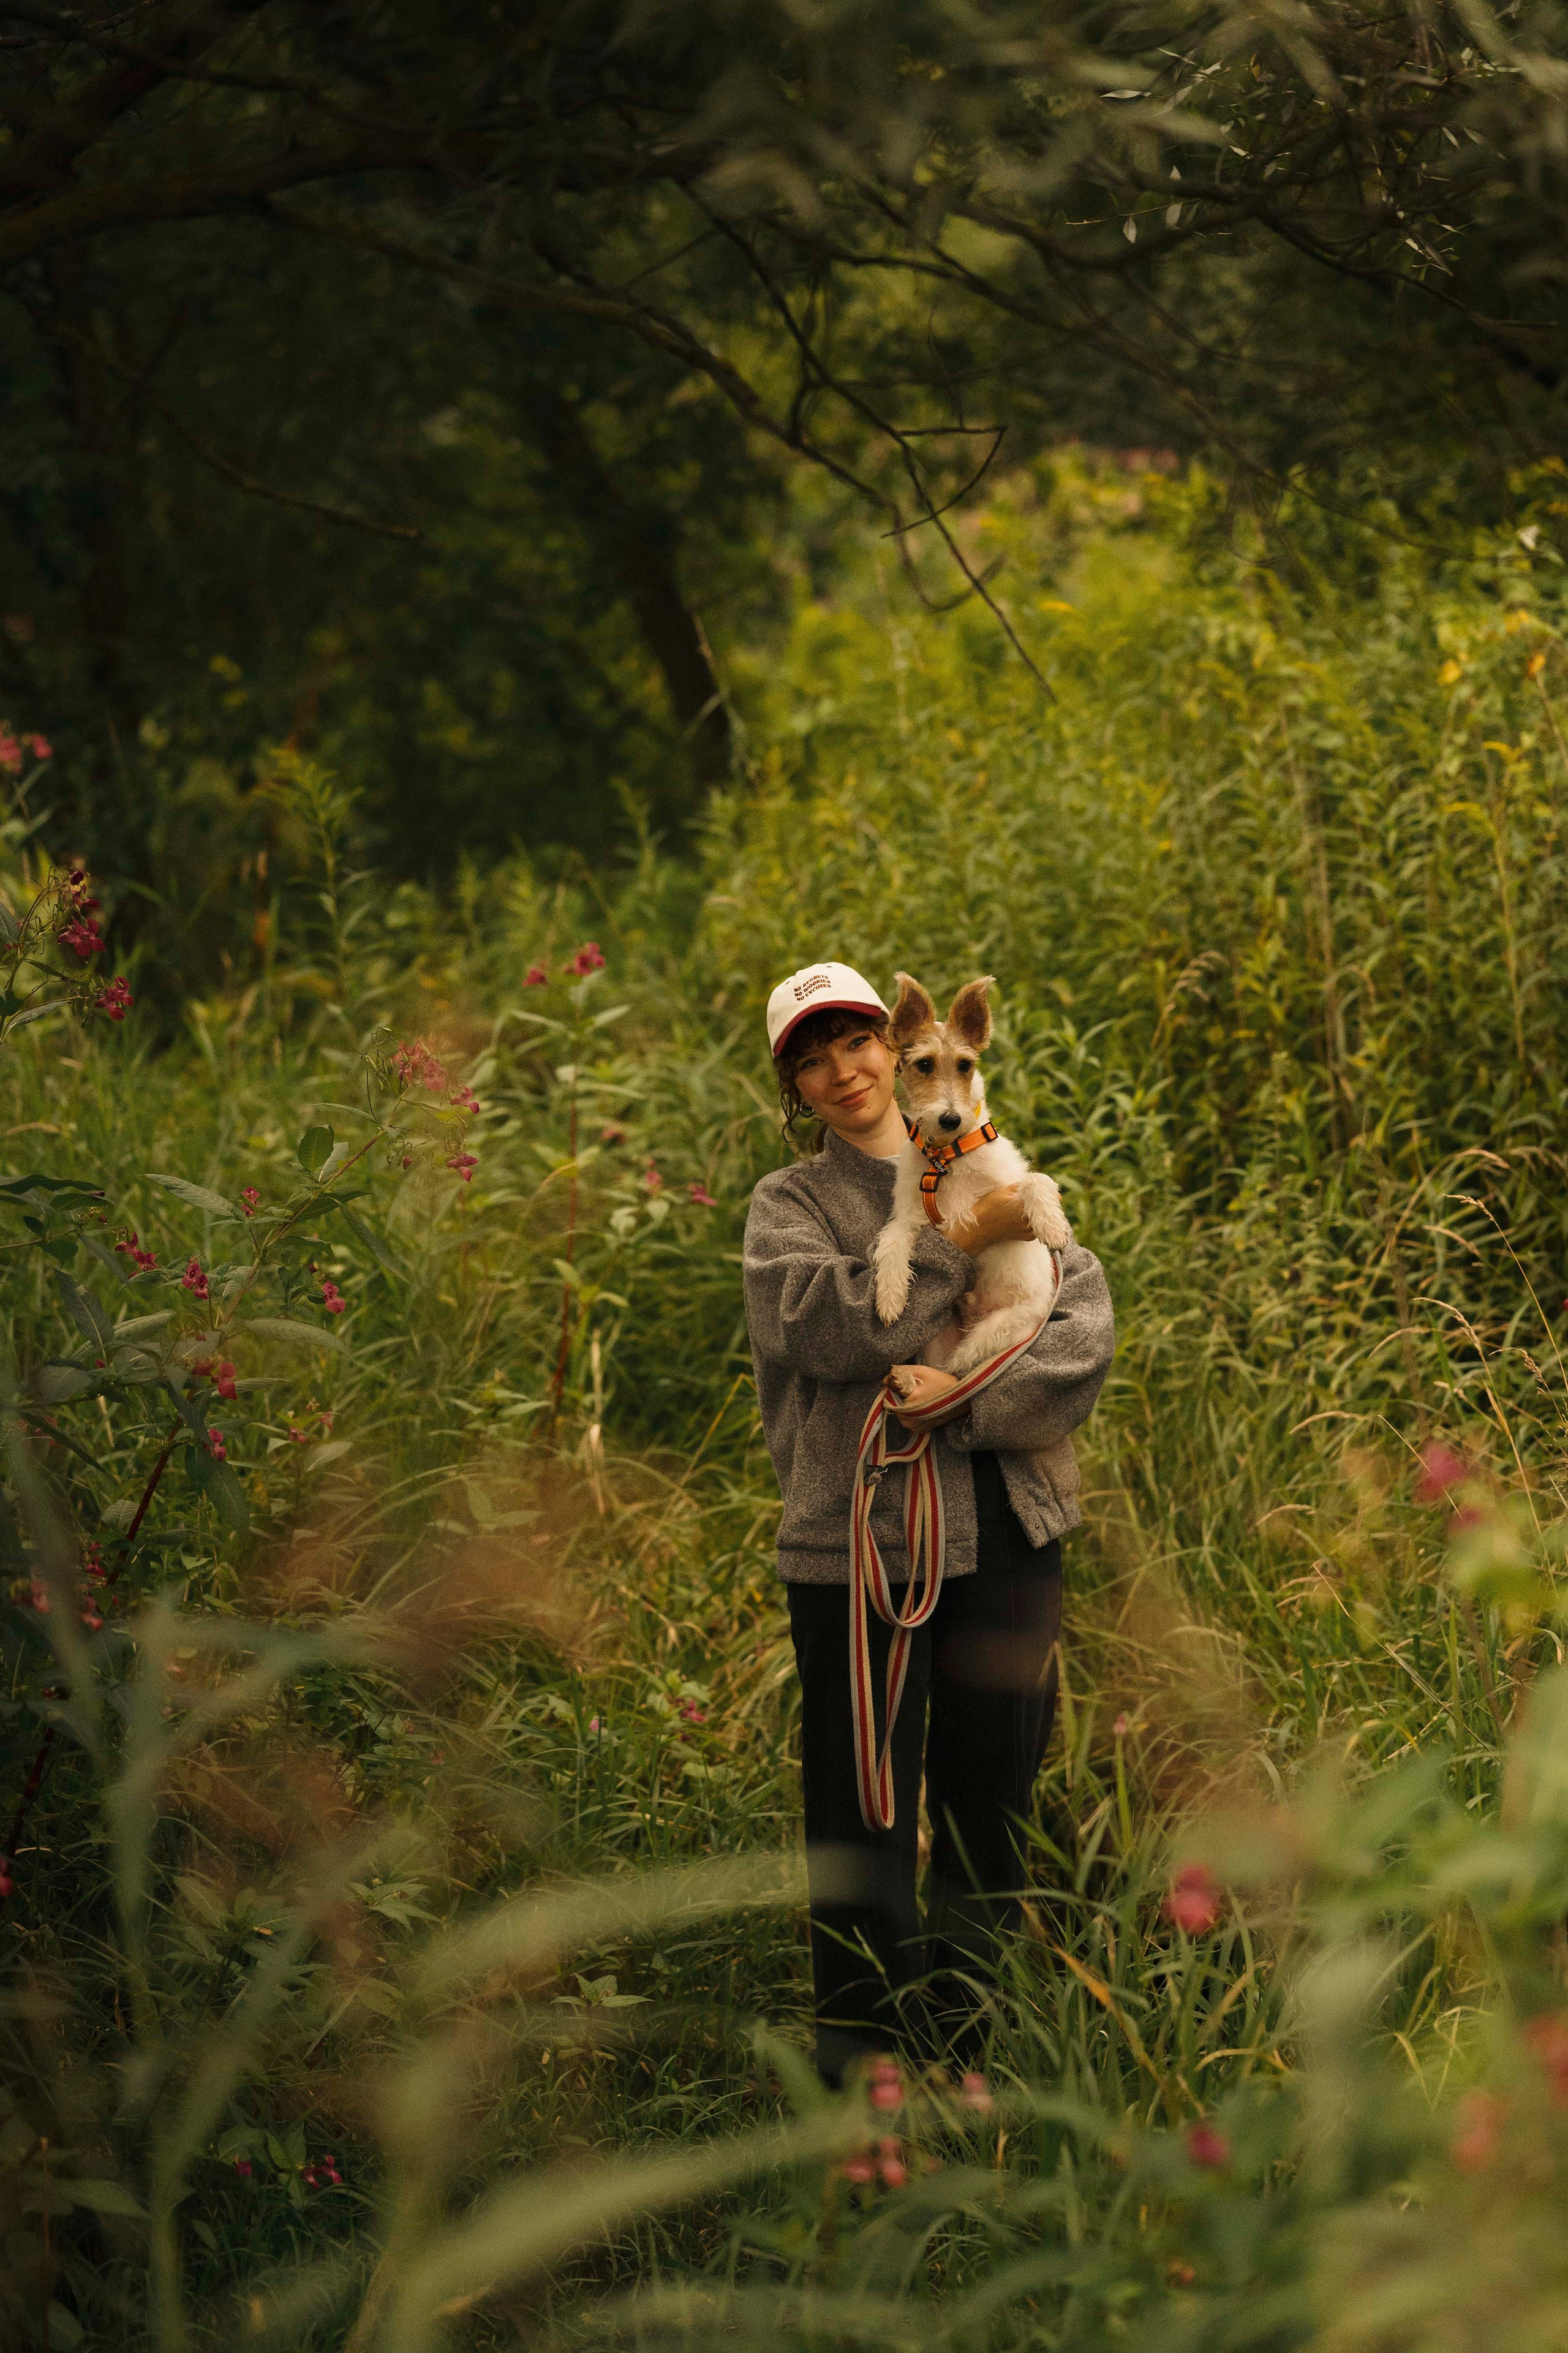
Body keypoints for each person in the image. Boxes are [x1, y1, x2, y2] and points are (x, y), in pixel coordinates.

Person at [742, 960, 1115, 2085]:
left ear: (896, 1050)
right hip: (860, 1540)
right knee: (860, 1810)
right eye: (810, 1061)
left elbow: (1079, 1331)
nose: (841, 1071)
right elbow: (824, 1331)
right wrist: (964, 1243)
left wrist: (953, 1398)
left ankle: (971, 2056)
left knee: (991, 1798)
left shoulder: (989, 1159)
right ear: (795, 1091)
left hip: (1008, 1522)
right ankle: (862, 2077)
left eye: (854, 1043)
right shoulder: (789, 1208)